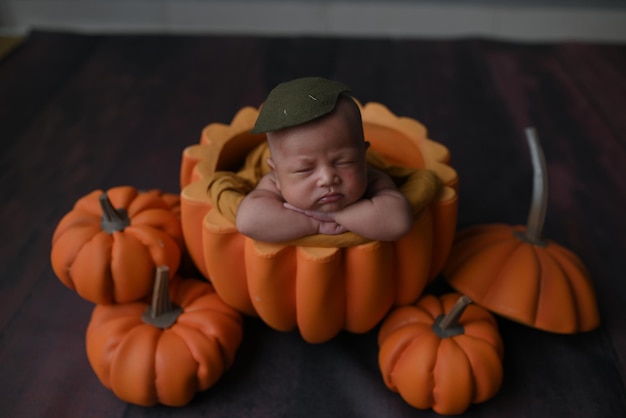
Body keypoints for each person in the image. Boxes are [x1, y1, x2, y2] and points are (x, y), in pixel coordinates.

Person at [235, 77, 413, 243]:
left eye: (344, 162)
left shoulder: (371, 178)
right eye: (305, 169)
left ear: (363, 157)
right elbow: (248, 221)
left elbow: (398, 222)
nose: (328, 178)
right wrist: (316, 223)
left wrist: (335, 216)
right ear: (277, 173)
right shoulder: (275, 183)